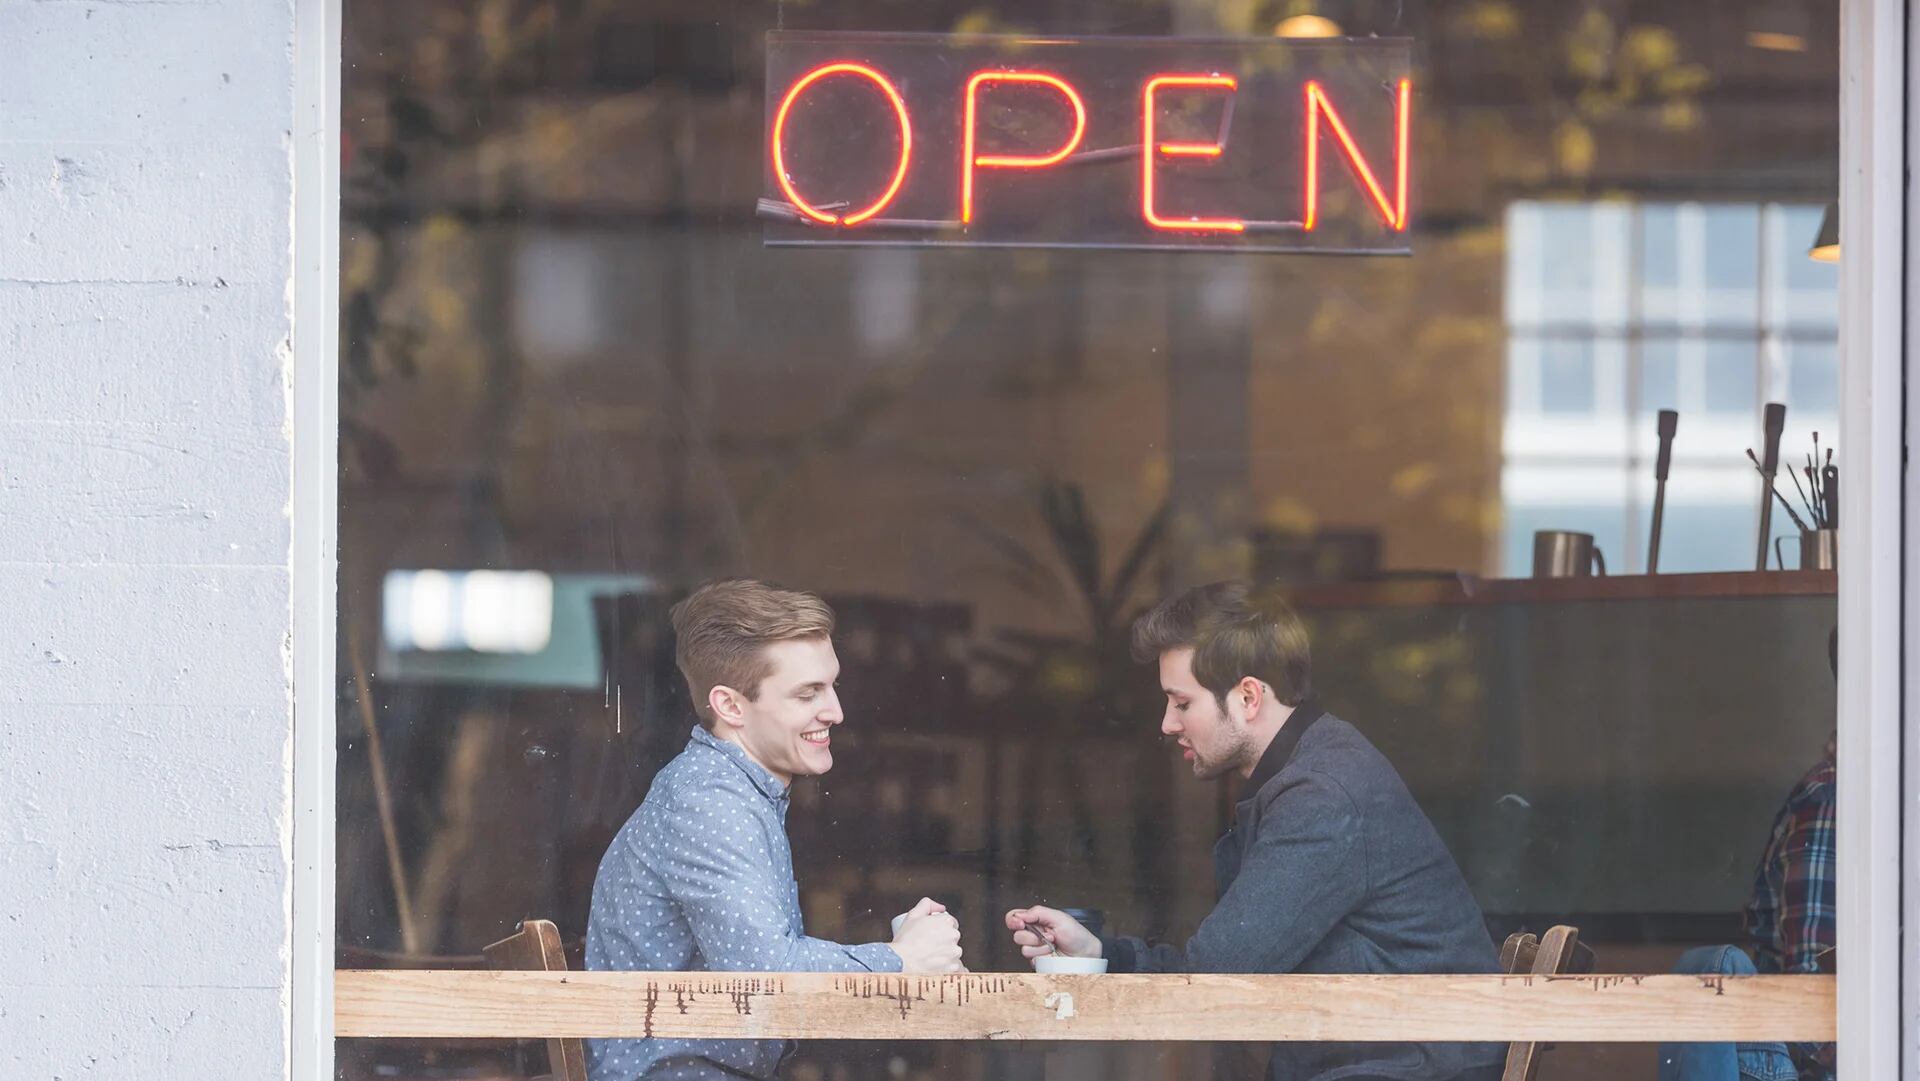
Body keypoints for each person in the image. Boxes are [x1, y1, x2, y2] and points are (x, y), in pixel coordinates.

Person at [1005, 580, 1504, 1081]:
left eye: (1181, 703)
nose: (1166, 723)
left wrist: (1105, 959)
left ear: (1248, 697)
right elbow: (1218, 972)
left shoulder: (1321, 796)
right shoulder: (1316, 766)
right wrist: (1098, 954)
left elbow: (1213, 980)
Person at [585, 579, 964, 1081]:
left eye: (831, 685)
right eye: (808, 694)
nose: (835, 711)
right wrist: (899, 960)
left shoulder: (733, 791)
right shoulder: (709, 801)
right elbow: (765, 972)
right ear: (731, 706)